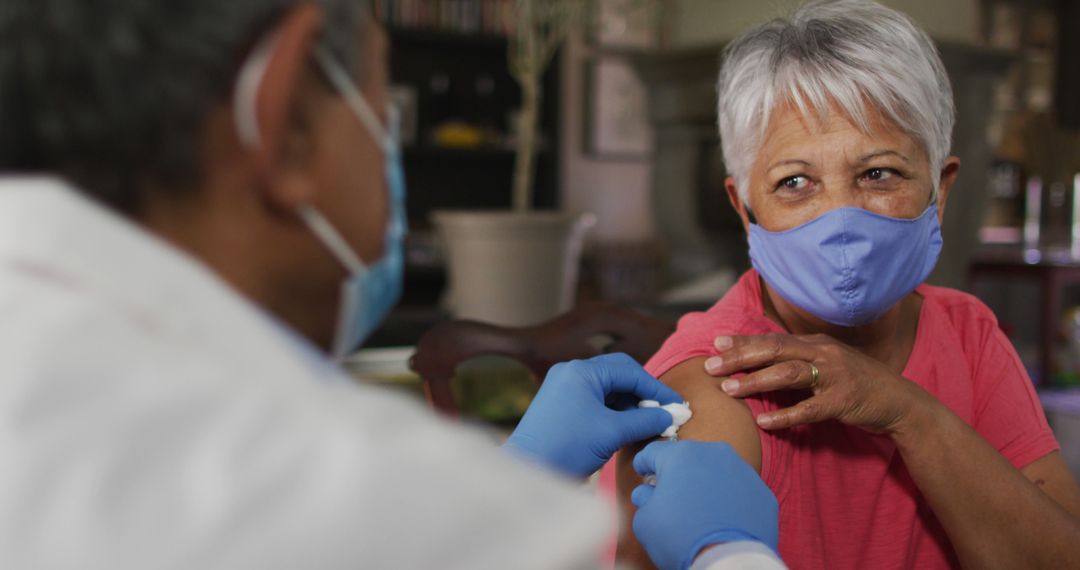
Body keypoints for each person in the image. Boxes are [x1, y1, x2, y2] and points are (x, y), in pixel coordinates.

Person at [0, 1, 781, 569]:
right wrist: (731, 556)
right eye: (382, 117)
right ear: (285, 118)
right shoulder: (379, 506)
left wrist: (511, 474)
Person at [611, 1, 1080, 568]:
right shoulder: (717, 380)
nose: (840, 219)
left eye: (878, 173)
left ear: (941, 188)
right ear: (744, 206)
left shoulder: (968, 333)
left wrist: (907, 411)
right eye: (795, 182)